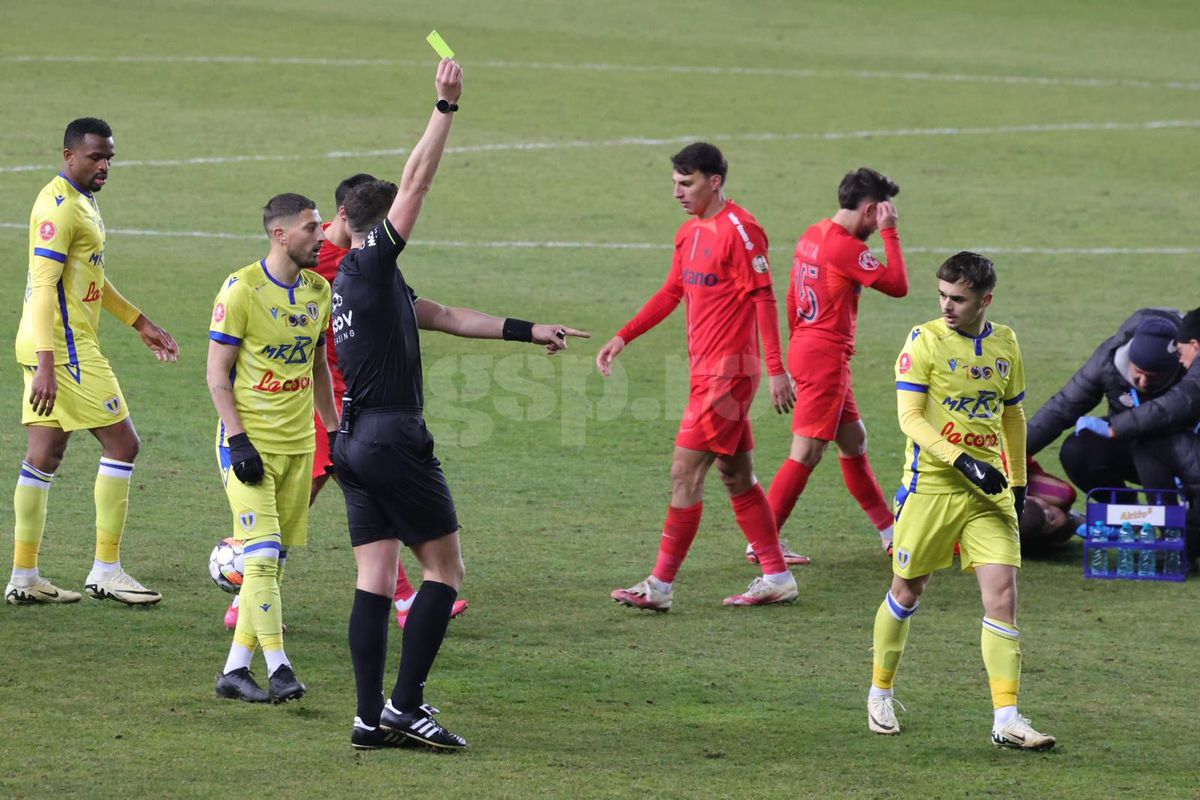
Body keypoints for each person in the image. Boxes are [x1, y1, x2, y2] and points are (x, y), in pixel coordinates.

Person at [332, 59, 588, 750]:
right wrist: (443, 107)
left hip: (352, 441)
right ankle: (406, 705)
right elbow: (416, 180)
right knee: (445, 570)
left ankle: (366, 716)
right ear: (376, 225)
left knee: (375, 578)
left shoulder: (356, 283)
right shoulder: (371, 262)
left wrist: (528, 329)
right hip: (389, 437)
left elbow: (441, 315)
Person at [221, 173, 469, 631]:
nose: (314, 237)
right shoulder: (314, 262)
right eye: (309, 228)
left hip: (353, 398)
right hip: (317, 401)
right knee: (300, 500)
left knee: (368, 492)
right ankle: (247, 591)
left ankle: (403, 598)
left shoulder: (360, 261)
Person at [599, 141, 798, 611]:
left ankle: (660, 586)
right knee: (737, 475)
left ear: (715, 181)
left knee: (684, 472)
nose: (677, 193)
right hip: (704, 373)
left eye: (686, 183)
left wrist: (776, 370)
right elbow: (673, 291)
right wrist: (624, 336)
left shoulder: (742, 230)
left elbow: (764, 300)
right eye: (674, 183)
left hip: (729, 376)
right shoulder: (689, 233)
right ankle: (777, 575)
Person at [867, 251, 1055, 750]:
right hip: (932, 486)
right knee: (907, 593)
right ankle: (880, 692)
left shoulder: (1005, 343)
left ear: (984, 300)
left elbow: (1013, 416)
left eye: (959, 298)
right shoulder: (924, 340)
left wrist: (1017, 483)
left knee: (1003, 598)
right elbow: (910, 418)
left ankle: (1007, 719)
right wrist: (961, 459)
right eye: (942, 296)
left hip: (989, 491)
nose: (947, 306)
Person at [7, 117, 179, 607]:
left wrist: (138, 321)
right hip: (62, 351)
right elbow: (43, 288)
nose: (104, 166)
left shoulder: (82, 201)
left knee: (44, 457)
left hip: (51, 346)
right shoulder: (59, 210)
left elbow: (89, 278)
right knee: (124, 444)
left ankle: (24, 577)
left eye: (109, 158)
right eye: (95, 157)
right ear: (68, 156)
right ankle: (106, 570)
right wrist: (46, 362)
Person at [206, 192, 339, 704]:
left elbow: (319, 367)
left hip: (299, 443)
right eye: (311, 228)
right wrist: (238, 439)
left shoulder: (318, 291)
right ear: (279, 234)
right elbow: (217, 373)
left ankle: (235, 671)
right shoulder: (241, 290)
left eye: (321, 227)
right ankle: (280, 668)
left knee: (272, 561)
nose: (320, 237)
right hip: (249, 447)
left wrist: (335, 429)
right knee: (260, 557)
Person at [762, 167, 908, 563]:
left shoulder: (814, 234)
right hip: (825, 356)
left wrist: (797, 351)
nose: (880, 226)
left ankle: (891, 533)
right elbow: (898, 285)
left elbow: (793, 299)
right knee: (806, 453)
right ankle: (763, 542)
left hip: (811, 348)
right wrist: (893, 233)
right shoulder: (846, 246)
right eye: (881, 217)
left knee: (854, 441)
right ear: (872, 209)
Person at [1026, 309, 1184, 496]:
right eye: (1138, 372)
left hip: (1184, 453)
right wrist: (1014, 453)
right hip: (1131, 442)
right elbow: (1062, 407)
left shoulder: (1191, 367)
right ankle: (1125, 516)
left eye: (1153, 377)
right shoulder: (1109, 360)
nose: (1142, 382)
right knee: (1077, 451)